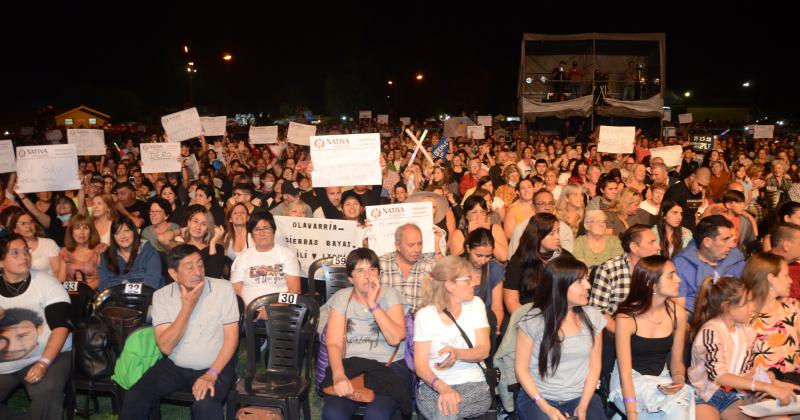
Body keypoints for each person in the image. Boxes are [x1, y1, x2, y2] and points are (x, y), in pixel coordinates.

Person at [119, 244, 239, 420]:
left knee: (205, 406)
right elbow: (166, 347)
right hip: (175, 364)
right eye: (189, 267)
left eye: (200, 264)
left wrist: (211, 374)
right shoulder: (161, 296)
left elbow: (231, 339)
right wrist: (187, 307)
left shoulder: (223, 289)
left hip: (216, 364)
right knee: (136, 396)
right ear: (173, 273)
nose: (198, 272)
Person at [689, 276, 800, 419]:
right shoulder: (711, 331)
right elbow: (719, 376)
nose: (753, 307)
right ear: (727, 306)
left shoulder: (747, 331)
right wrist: (766, 387)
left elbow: (745, 372)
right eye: (746, 303)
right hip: (704, 395)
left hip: (732, 396)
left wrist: (778, 385)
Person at [321, 248, 411, 420]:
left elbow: (394, 339)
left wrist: (373, 304)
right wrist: (339, 375)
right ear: (350, 278)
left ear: (379, 273)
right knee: (333, 413)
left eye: (372, 269)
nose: (367, 275)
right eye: (360, 270)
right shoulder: (341, 298)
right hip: (352, 367)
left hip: (388, 369)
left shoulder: (390, 295)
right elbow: (333, 343)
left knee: (377, 415)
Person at [514, 256, 607, 420]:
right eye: (580, 281)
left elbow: (594, 366)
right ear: (559, 286)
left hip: (581, 396)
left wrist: (583, 406)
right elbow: (521, 370)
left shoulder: (593, 317)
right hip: (537, 398)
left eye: (587, 279)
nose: (588, 285)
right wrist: (546, 408)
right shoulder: (533, 321)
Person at [0, 233, 73, 420]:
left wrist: (43, 364)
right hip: (5, 363)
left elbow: (61, 328)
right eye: (14, 253)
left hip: (48, 355)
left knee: (46, 390)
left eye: (26, 251)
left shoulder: (47, 283)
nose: (24, 256)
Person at [611, 255, 693, 419]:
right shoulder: (626, 317)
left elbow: (677, 361)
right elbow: (625, 372)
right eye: (671, 275)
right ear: (651, 284)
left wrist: (678, 380)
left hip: (661, 380)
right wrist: (631, 413)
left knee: (680, 414)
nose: (678, 280)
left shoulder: (678, 314)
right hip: (628, 382)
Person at [413, 256, 493, 419]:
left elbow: (484, 351)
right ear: (450, 285)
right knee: (445, 411)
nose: (474, 283)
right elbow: (420, 366)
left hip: (473, 383)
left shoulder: (476, 305)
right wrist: (442, 387)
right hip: (433, 385)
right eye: (468, 280)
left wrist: (457, 354)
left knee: (445, 412)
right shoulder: (425, 315)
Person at [589, 224, 661, 333]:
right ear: (634, 247)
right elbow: (597, 309)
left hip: (651, 329)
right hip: (616, 330)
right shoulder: (609, 269)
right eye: (651, 242)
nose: (658, 247)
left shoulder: (659, 268)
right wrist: (619, 332)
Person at [742, 253, 800, 384]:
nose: (790, 281)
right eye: (786, 275)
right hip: (759, 388)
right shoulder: (744, 314)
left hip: (793, 384)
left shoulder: (792, 307)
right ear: (771, 279)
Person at [673, 215, 746, 314]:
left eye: (730, 239)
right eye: (725, 239)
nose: (730, 245)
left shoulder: (737, 261)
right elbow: (678, 307)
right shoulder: (681, 264)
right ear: (707, 242)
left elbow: (746, 298)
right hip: (692, 319)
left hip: (732, 317)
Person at [230, 210, 301, 307]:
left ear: (274, 231)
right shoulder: (242, 258)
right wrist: (248, 311)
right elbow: (236, 291)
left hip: (280, 313)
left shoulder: (287, 255)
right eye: (257, 229)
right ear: (251, 235)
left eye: (266, 228)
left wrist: (273, 309)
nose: (261, 233)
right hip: (249, 314)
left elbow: (295, 291)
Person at [504, 213, 571, 314]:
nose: (557, 237)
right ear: (538, 235)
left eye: (558, 231)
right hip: (526, 315)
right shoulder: (519, 260)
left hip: (557, 315)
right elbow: (511, 302)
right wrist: (530, 322)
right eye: (552, 233)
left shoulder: (565, 258)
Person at [379, 224, 436, 312]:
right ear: (398, 245)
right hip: (386, 322)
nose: (417, 249)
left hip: (420, 322)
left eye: (420, 244)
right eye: (411, 245)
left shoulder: (431, 266)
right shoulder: (381, 264)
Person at [98, 216, 163, 291]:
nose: (123, 236)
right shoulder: (106, 256)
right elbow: (102, 286)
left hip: (145, 299)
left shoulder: (149, 252)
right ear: (113, 237)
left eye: (126, 231)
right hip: (116, 300)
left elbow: (151, 284)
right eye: (117, 233)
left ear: (134, 232)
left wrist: (123, 288)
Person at [461, 228, 505, 335]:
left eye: (488, 256)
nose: (483, 261)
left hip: (485, 324)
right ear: (468, 248)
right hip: (460, 324)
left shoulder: (495, 269)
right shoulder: (455, 267)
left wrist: (495, 328)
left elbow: (497, 307)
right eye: (479, 255)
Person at [448, 195, 509, 263]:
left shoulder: (495, 229)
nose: (478, 216)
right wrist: (470, 235)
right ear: (466, 216)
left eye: (482, 212)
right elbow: (457, 262)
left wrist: (487, 232)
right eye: (474, 212)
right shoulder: (459, 234)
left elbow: (503, 257)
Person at [9, 212, 64, 281]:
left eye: (31, 222)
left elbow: (58, 272)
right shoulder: (11, 248)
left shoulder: (48, 243)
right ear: (15, 230)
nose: (28, 226)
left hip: (48, 286)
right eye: (23, 223)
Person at [59, 214, 107, 290]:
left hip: (94, 293)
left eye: (85, 228)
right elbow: (61, 281)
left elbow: (104, 278)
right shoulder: (65, 252)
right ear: (71, 232)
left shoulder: (101, 249)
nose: (81, 232)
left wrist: (82, 290)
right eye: (77, 228)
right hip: (71, 294)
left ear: (91, 232)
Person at [663, 167, 710, 231]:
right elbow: (665, 216)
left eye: (704, 187)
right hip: (676, 233)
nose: (700, 189)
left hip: (690, 233)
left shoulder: (698, 193)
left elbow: (694, 212)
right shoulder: (675, 191)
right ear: (692, 177)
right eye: (699, 184)